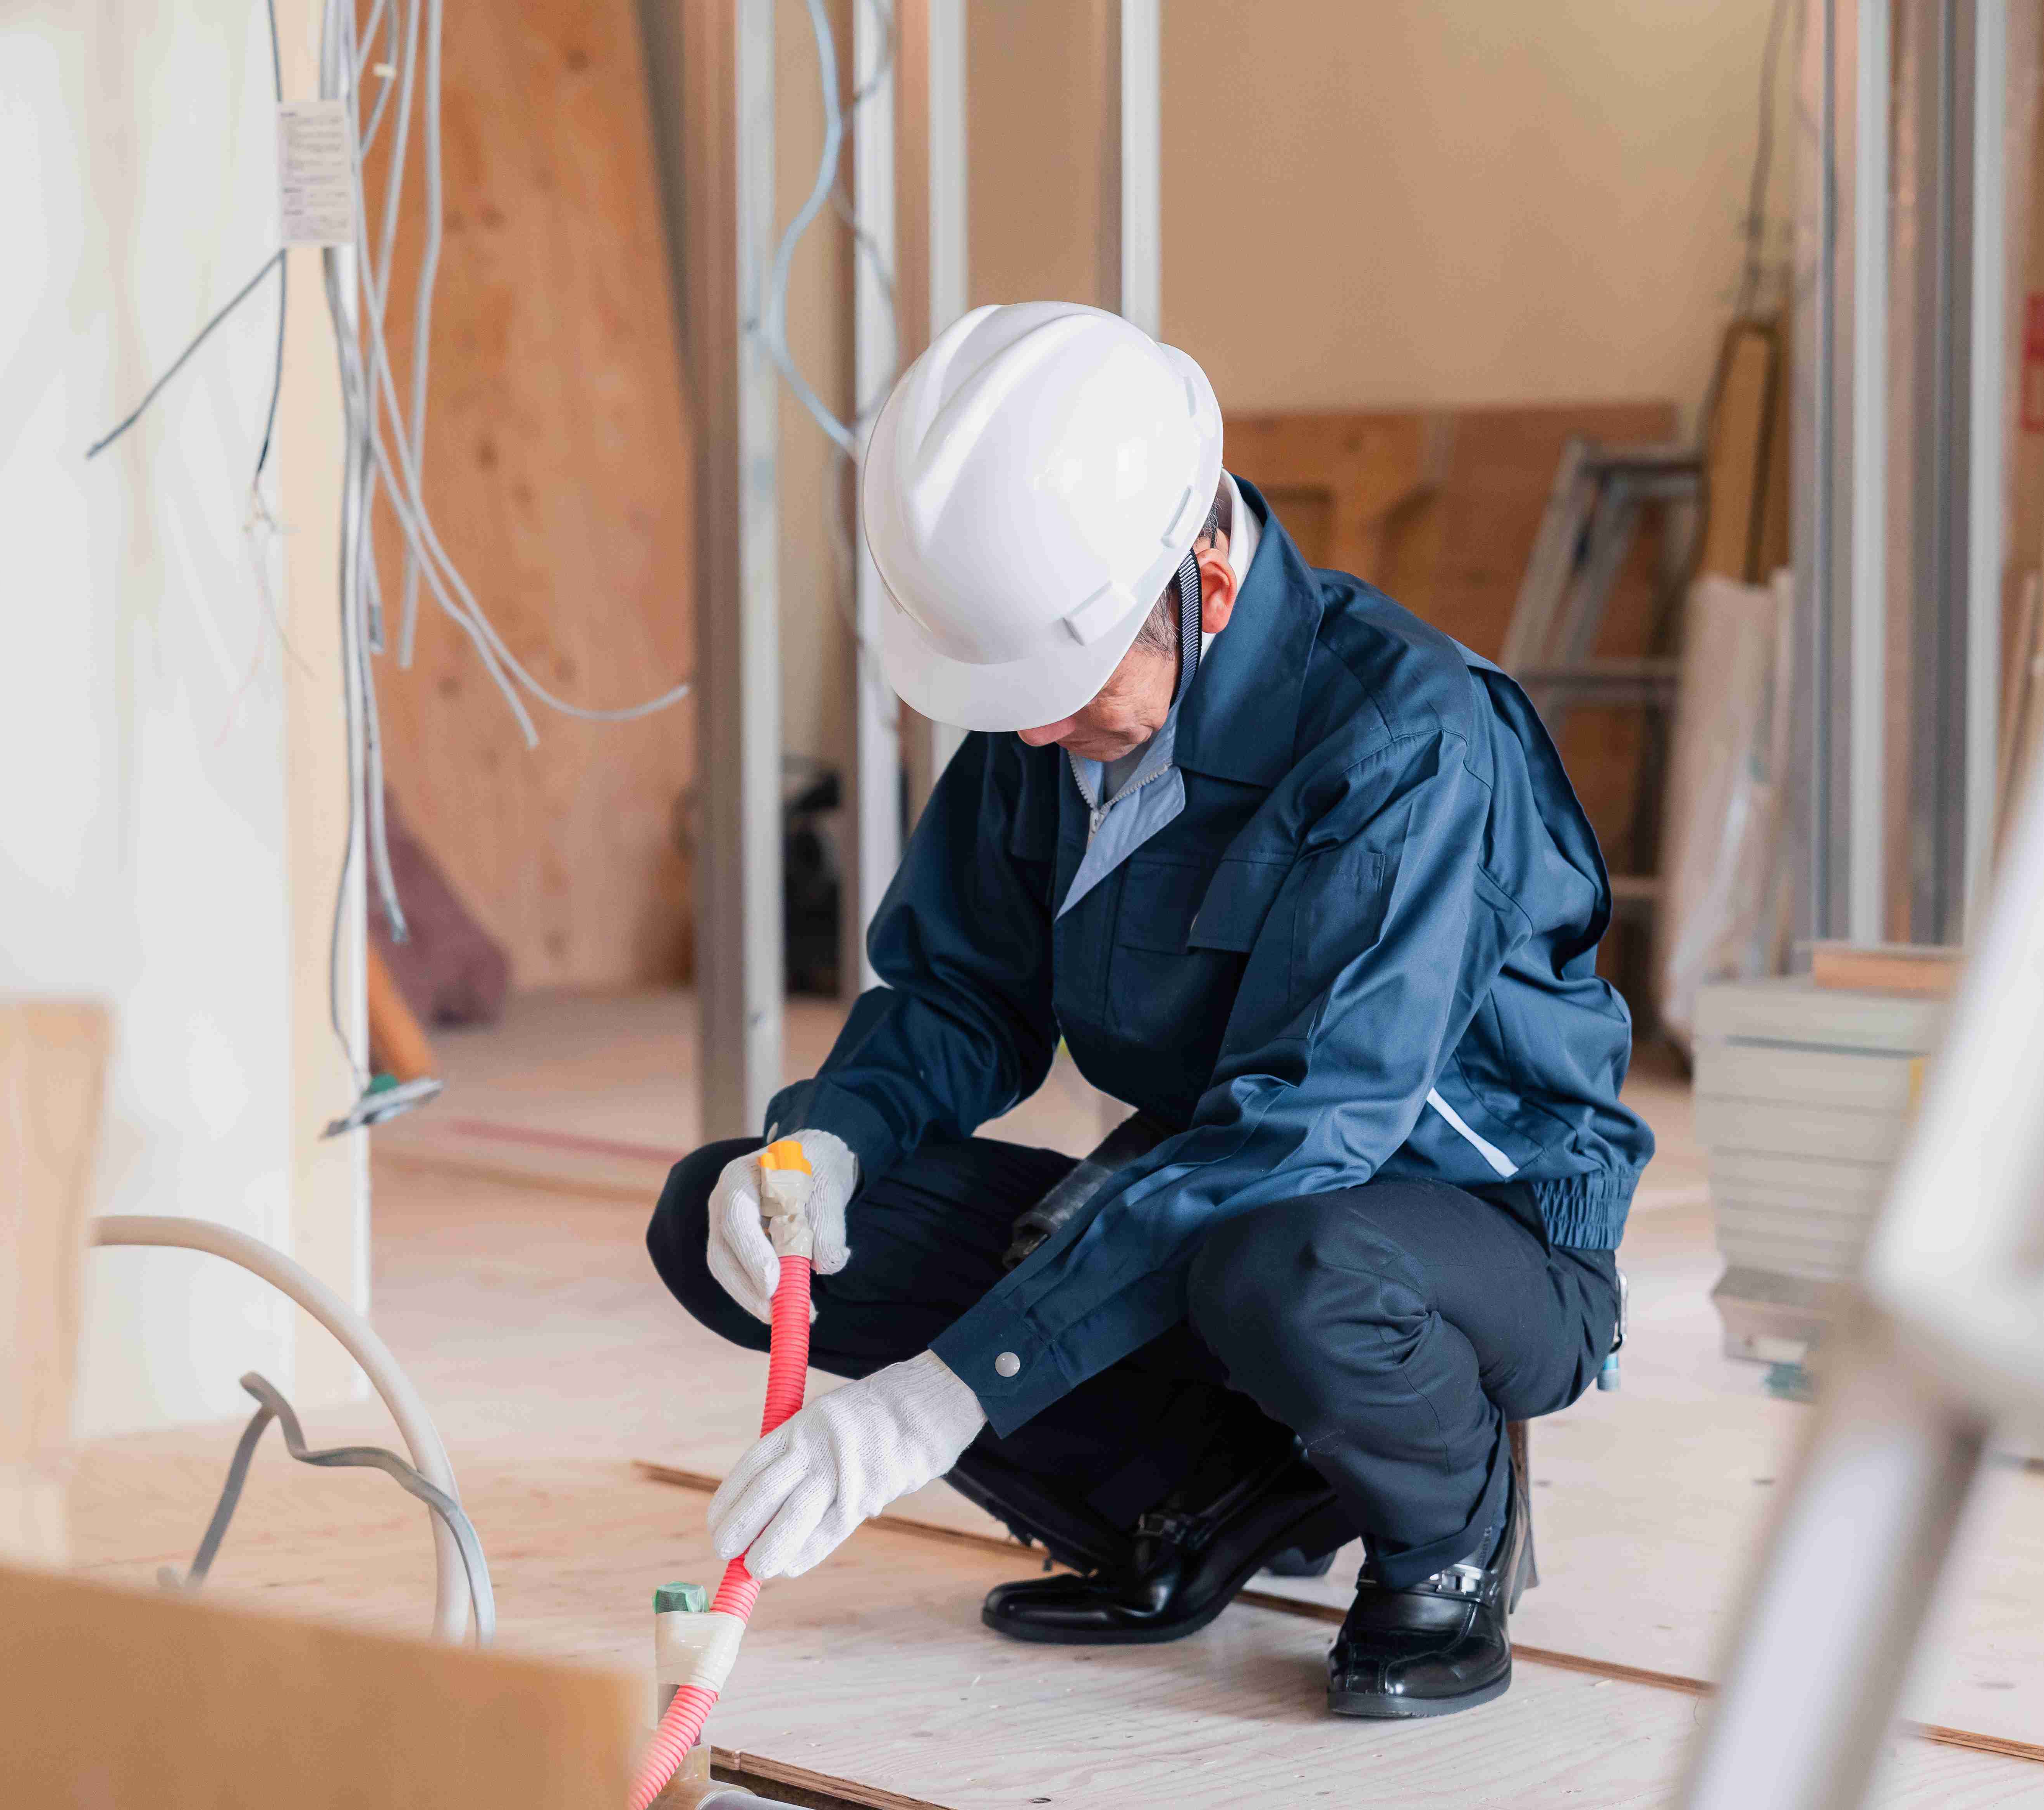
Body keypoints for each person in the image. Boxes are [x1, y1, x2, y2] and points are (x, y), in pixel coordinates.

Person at [647, 301, 1649, 1719]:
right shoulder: (1054, 717)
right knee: (732, 1220)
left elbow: (1306, 1129)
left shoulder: (1409, 741)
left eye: (1062, 692)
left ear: (1210, 586)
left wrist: (938, 1402)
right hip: (1227, 1205)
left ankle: (1454, 1539)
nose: (1033, 735)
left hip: (1454, 1245)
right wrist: (828, 1148)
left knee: (1288, 1270)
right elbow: (959, 990)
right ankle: (1197, 1503)